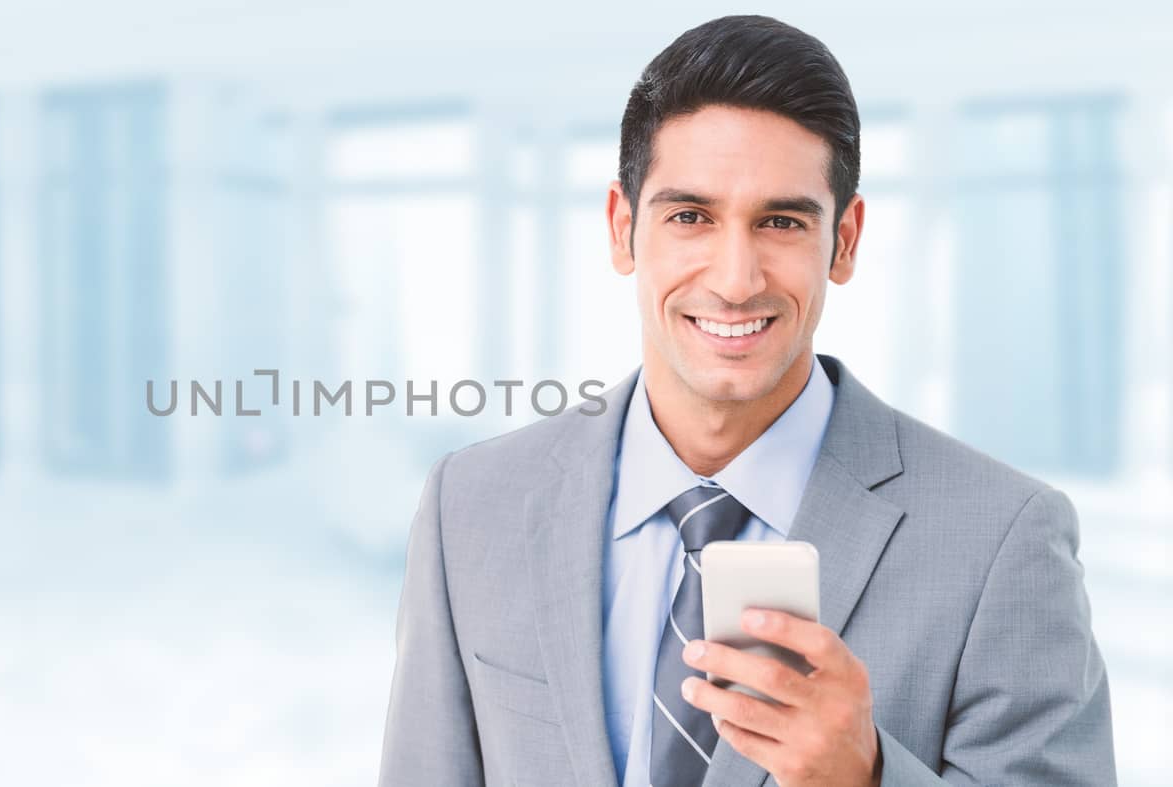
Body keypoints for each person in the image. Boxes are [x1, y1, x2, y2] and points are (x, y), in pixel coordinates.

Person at [376, 14, 1115, 787]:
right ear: (623, 228)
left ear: (846, 241)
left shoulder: (1001, 538)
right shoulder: (471, 505)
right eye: (690, 216)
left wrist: (864, 777)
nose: (736, 278)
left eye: (782, 221)